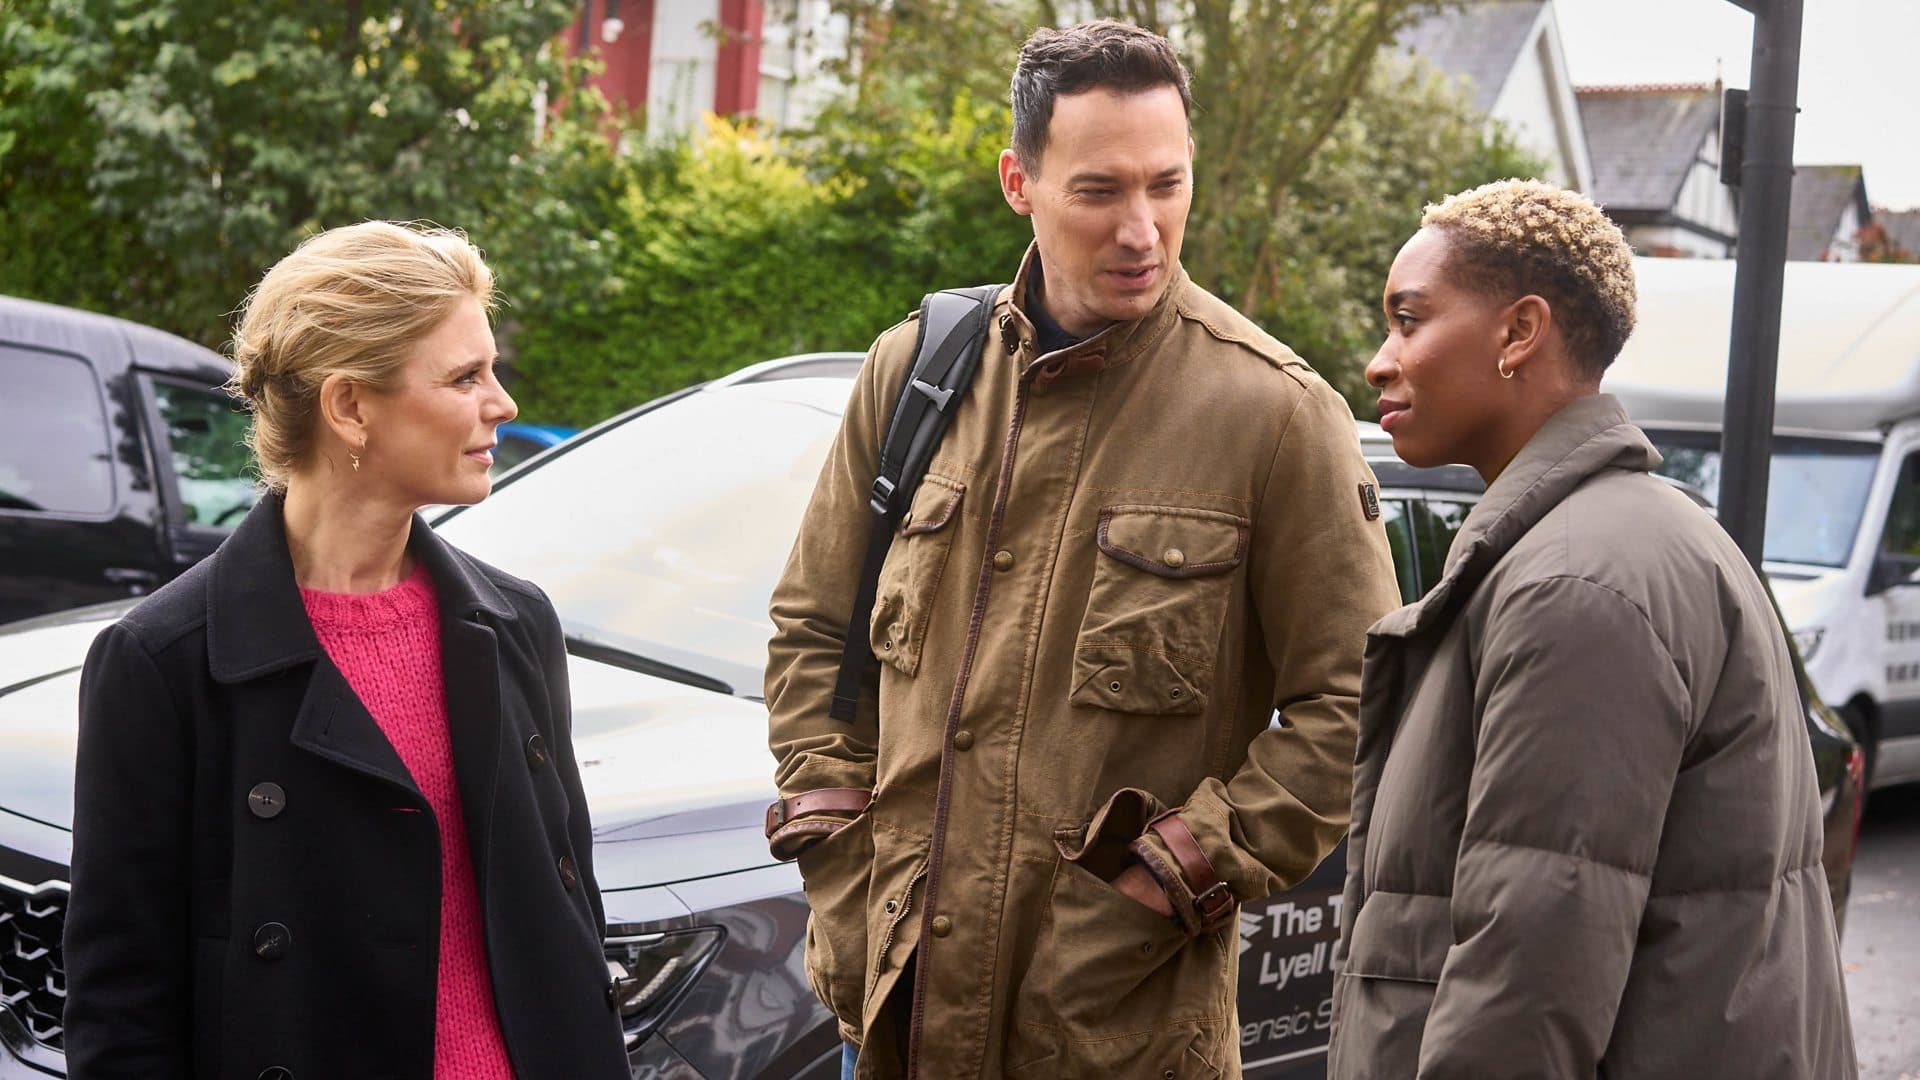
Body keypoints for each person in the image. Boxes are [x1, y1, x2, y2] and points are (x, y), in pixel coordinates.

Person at [765, 20, 1401, 1080]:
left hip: (1110, 1035)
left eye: (1167, 185)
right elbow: (814, 631)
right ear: (1019, 182)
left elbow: (1361, 704)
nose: (1142, 229)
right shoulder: (916, 372)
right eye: (1100, 191)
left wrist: (1176, 872)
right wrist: (840, 851)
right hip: (891, 1005)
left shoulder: (1277, 416)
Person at [62, 221, 630, 1080]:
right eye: (465, 376)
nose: (503, 404)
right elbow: (120, 1011)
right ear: (350, 407)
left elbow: (570, 917)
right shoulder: (163, 660)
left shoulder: (515, 623)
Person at [1328, 179, 1857, 1079]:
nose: (1382, 361)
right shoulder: (1627, 537)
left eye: (1409, 321)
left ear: (1519, 332)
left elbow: (1529, 975)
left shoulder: (1575, 583)